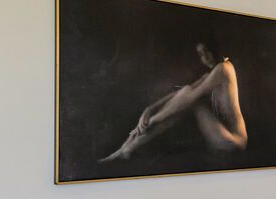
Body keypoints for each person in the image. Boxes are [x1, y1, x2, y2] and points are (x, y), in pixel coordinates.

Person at [99, 40, 248, 162]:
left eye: (208, 51)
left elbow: (190, 98)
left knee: (191, 103)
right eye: (201, 54)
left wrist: (153, 121)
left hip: (234, 141)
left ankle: (129, 147)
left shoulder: (223, 69)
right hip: (221, 135)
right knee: (185, 94)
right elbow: (181, 92)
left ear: (217, 49)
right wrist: (148, 110)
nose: (205, 57)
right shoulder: (211, 74)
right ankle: (127, 148)